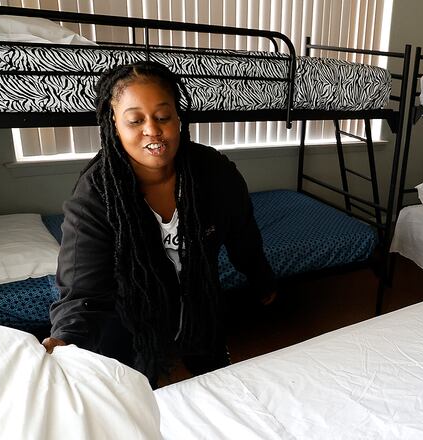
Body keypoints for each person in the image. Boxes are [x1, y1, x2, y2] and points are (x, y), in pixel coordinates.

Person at [42, 60, 276, 387]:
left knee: (217, 385)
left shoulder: (215, 173)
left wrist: (261, 278)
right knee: (136, 396)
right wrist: (64, 338)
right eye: (135, 120)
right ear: (114, 123)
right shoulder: (96, 193)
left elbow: (244, 236)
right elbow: (82, 287)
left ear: (178, 118)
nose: (152, 130)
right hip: (130, 321)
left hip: (200, 307)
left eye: (163, 117)